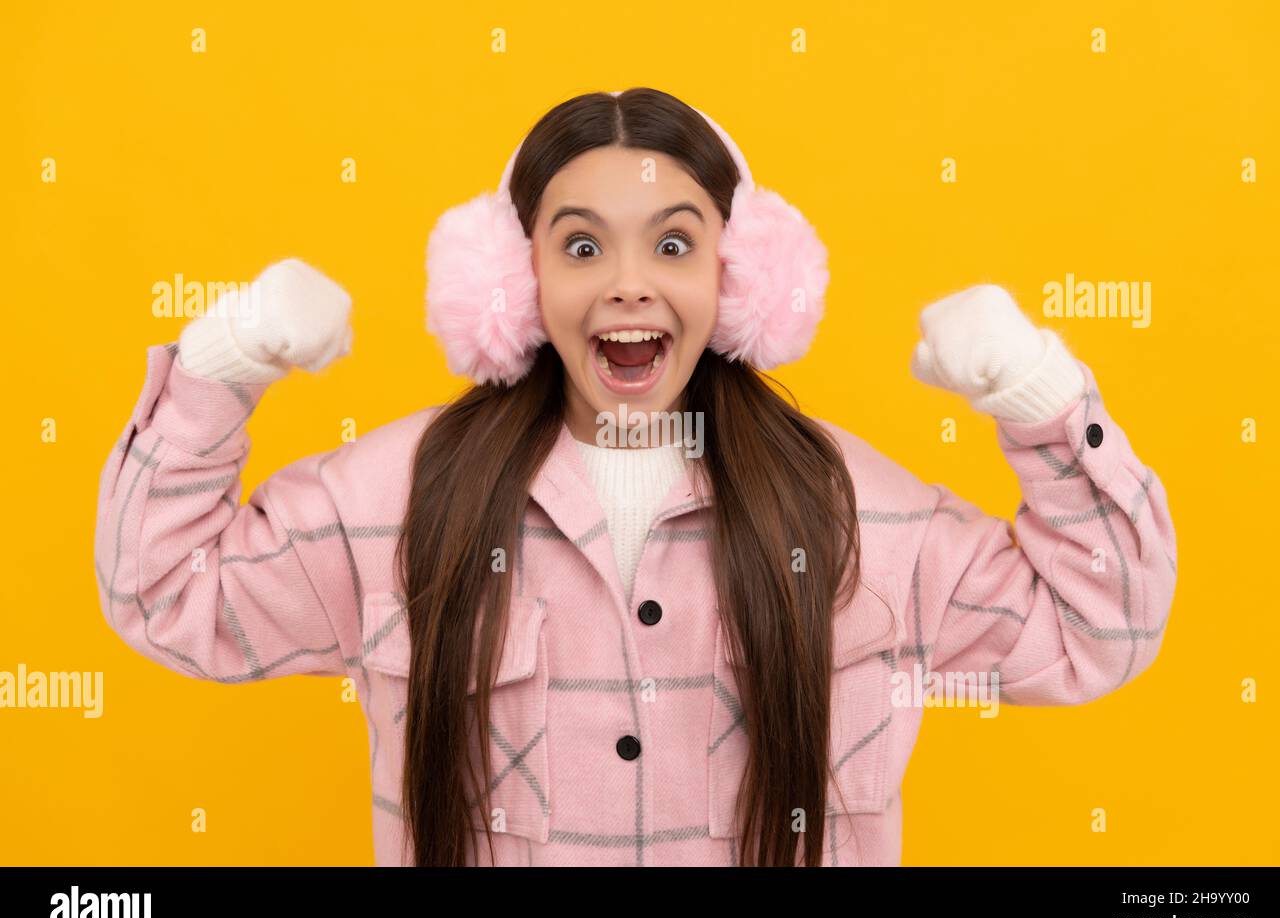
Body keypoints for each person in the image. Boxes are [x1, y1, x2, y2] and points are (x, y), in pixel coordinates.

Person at [93, 87, 1177, 867]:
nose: (625, 286)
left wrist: (1041, 397)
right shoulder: (400, 500)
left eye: (672, 245)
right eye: (578, 247)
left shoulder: (852, 510)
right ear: (510, 283)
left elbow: (1104, 629)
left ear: (742, 278)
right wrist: (219, 365)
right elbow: (163, 590)